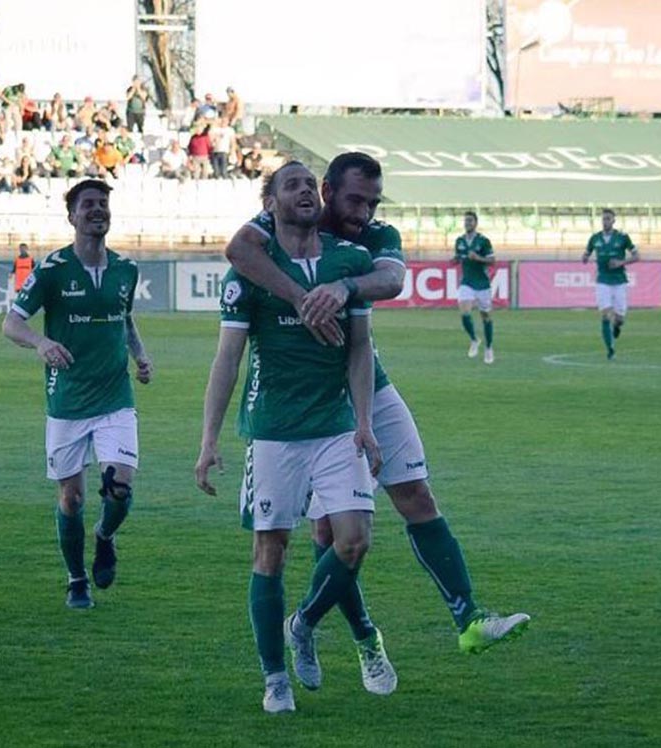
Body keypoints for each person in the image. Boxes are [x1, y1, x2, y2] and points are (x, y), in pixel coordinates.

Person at [225, 152, 530, 658]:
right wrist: (305, 300)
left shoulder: (377, 235)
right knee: (332, 532)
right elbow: (239, 250)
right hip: (303, 401)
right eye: (353, 199)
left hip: (368, 382)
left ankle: (468, 617)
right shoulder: (286, 219)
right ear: (325, 190)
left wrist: (342, 288)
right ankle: (359, 633)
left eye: (372, 201)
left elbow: (391, 280)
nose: (364, 212)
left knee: (416, 494)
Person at [196, 162, 384, 713]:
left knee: (353, 541)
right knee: (269, 551)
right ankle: (275, 678)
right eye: (291, 185)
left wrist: (367, 423)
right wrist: (209, 440)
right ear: (271, 203)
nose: (303, 190)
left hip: (335, 427)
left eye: (309, 184)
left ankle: (302, 623)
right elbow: (227, 358)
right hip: (274, 433)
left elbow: (359, 349)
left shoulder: (350, 262)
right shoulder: (251, 274)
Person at [1, 179, 154, 609]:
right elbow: (11, 324)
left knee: (120, 487)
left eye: (102, 204)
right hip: (67, 401)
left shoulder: (126, 268)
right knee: (72, 498)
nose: (97, 210)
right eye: (88, 205)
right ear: (72, 216)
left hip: (114, 397)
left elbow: (125, 319)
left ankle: (104, 537)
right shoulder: (52, 270)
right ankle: (76, 579)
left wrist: (140, 356)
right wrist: (41, 343)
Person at [582, 208, 638, 360]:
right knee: (605, 314)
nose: (605, 221)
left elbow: (637, 256)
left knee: (619, 318)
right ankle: (610, 349)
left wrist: (621, 262)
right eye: (603, 219)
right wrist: (585, 257)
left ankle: (617, 325)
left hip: (619, 281)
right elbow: (586, 253)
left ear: (613, 221)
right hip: (602, 280)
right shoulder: (595, 238)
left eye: (608, 219)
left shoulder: (623, 237)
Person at [453, 211, 497, 364]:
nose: (467, 223)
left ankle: (489, 348)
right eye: (466, 221)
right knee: (464, 312)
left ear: (476, 223)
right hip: (467, 282)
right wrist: (455, 259)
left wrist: (478, 258)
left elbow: (492, 260)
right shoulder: (459, 241)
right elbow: (458, 257)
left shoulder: (484, 241)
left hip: (482, 284)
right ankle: (474, 339)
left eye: (470, 221)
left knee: (486, 316)